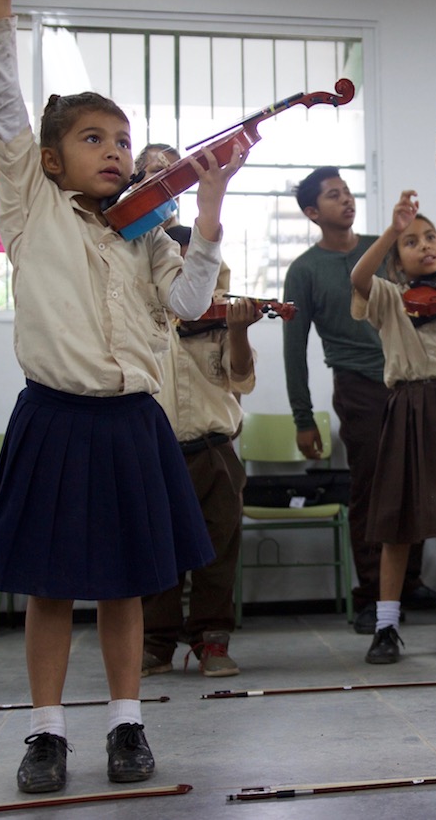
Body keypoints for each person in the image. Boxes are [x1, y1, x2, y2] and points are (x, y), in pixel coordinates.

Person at [0, 0, 247, 792]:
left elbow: (193, 299)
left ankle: (128, 722)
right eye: (95, 140)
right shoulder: (30, 204)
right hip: (56, 416)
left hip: (134, 421)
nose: (116, 154)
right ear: (51, 159)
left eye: (123, 143)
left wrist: (209, 205)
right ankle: (45, 733)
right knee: (51, 588)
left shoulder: (146, 233)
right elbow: (5, 104)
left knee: (126, 584)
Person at [282, 166, 436, 633]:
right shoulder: (305, 270)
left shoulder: (388, 244)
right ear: (313, 212)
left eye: (348, 192)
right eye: (334, 196)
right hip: (358, 389)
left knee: (416, 486)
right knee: (373, 490)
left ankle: (407, 585)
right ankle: (373, 594)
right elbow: (295, 349)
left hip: (414, 382)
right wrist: (303, 417)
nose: (347, 201)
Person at [348, 190, 436, 665]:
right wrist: (392, 227)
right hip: (408, 408)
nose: (425, 245)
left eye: (430, 237)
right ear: (398, 261)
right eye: (411, 242)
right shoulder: (389, 297)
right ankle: (386, 627)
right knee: (397, 526)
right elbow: (358, 276)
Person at [140, 169, 255, 680]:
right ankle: (157, 642)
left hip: (215, 452)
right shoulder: (150, 323)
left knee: (217, 549)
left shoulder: (220, 325)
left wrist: (238, 333)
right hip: (157, 450)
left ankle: (211, 640)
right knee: (158, 549)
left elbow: (242, 381)